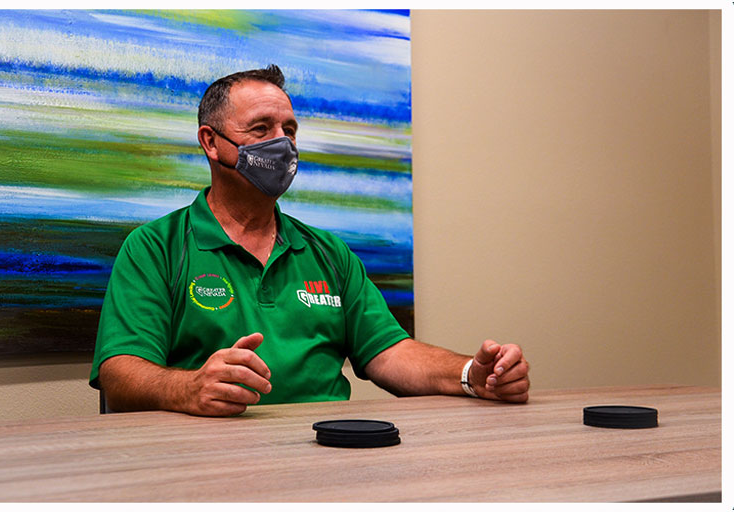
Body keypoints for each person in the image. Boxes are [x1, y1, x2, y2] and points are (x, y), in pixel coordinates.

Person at [89, 65, 530, 416]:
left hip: (326, 454)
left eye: (290, 130)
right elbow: (119, 372)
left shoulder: (327, 252)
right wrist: (188, 388)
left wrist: (474, 375)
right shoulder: (156, 247)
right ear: (211, 142)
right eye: (261, 129)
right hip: (203, 461)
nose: (283, 145)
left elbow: (390, 353)